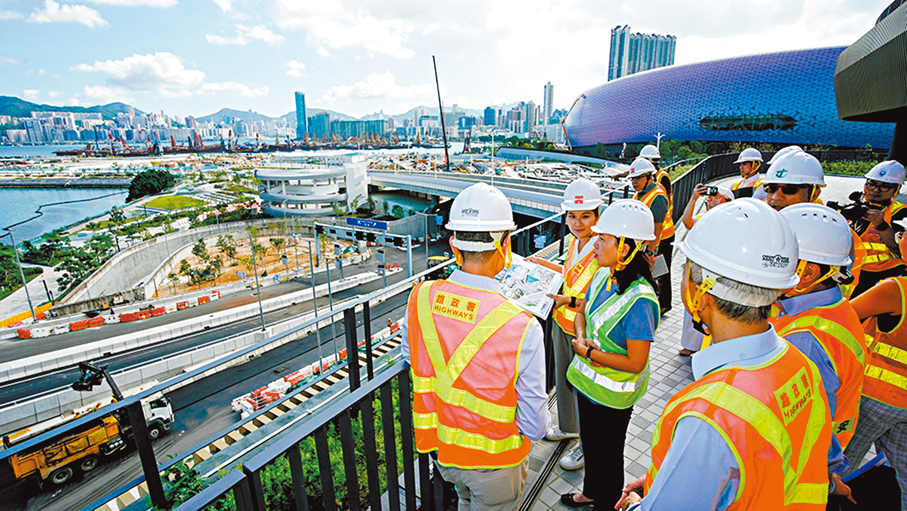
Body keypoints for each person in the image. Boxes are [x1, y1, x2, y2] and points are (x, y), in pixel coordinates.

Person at [618, 198, 832, 510]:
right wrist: (661, 480)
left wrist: (639, 503)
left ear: (700, 292)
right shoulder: (799, 363)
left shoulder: (710, 414)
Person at [401, 182, 550, 510]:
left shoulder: (420, 298)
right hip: (495, 464)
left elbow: (413, 357)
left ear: (454, 245)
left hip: (441, 451)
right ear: (506, 244)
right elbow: (536, 426)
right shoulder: (522, 326)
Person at [558, 199, 660, 510]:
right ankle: (591, 492)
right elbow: (582, 312)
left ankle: (605, 502)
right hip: (588, 386)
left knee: (609, 453)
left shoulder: (642, 299)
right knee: (591, 444)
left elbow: (635, 362)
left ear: (626, 248)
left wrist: (587, 351)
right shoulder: (603, 274)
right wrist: (580, 336)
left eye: (603, 239)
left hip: (613, 397)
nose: (595, 244)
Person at [772, 203, 867, 500]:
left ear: (808, 272)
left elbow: (808, 426)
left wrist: (829, 476)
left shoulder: (807, 341)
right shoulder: (835, 309)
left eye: (776, 259)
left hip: (794, 468)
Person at [526, 178, 602, 470]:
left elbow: (599, 295)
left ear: (597, 215)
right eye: (572, 216)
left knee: (585, 388)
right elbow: (570, 274)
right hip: (562, 322)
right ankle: (570, 427)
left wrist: (566, 301)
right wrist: (544, 266)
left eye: (585, 216)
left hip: (586, 329)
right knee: (564, 380)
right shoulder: (573, 242)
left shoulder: (603, 246)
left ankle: (586, 445)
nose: (578, 222)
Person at [844, 233, 907, 510]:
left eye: (903, 234)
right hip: (903, 407)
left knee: (840, 467)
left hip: (874, 398)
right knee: (902, 474)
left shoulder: (896, 289)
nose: (900, 238)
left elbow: (841, 317)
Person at [764, 150, 866, 298]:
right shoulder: (766, 218)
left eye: (789, 189)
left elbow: (837, 294)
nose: (775, 197)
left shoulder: (835, 234)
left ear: (815, 192)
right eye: (771, 188)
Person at [677, 184, 733, 356]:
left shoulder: (732, 222)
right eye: (709, 198)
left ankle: (709, 348)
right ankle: (691, 344)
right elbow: (687, 222)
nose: (710, 200)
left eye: (715, 197)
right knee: (692, 305)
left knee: (714, 310)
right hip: (698, 270)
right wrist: (694, 198)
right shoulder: (705, 218)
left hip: (719, 274)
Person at [848, 160, 907, 297]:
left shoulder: (901, 213)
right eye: (872, 184)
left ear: (896, 190)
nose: (876, 190)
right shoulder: (853, 208)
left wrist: (881, 225)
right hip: (852, 270)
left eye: (884, 187)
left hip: (884, 273)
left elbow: (899, 248)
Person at [628, 157, 675, 314]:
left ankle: (664, 304)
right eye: (632, 179)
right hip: (647, 240)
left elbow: (658, 227)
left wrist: (650, 250)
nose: (634, 182)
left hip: (662, 240)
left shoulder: (658, 196)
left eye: (638, 178)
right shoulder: (639, 193)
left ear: (649, 177)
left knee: (660, 272)